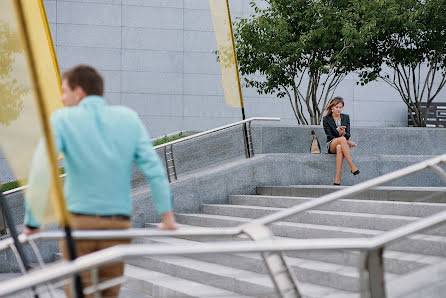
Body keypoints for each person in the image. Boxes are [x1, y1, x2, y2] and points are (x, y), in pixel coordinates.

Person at [23, 65, 178, 297]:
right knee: (109, 292)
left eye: (64, 91)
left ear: (80, 92)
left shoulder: (62, 119)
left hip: (78, 227)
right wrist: (167, 216)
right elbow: (154, 168)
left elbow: (41, 169)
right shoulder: (128, 118)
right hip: (117, 227)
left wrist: (34, 221)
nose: (61, 98)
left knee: (77, 293)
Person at [323, 96, 360, 185]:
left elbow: (348, 135)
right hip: (331, 144)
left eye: (340, 107)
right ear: (332, 107)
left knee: (340, 147)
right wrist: (346, 141)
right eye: (337, 107)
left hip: (341, 145)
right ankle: (352, 166)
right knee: (341, 141)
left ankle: (337, 179)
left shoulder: (346, 117)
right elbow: (330, 136)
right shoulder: (326, 119)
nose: (339, 109)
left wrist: (343, 133)